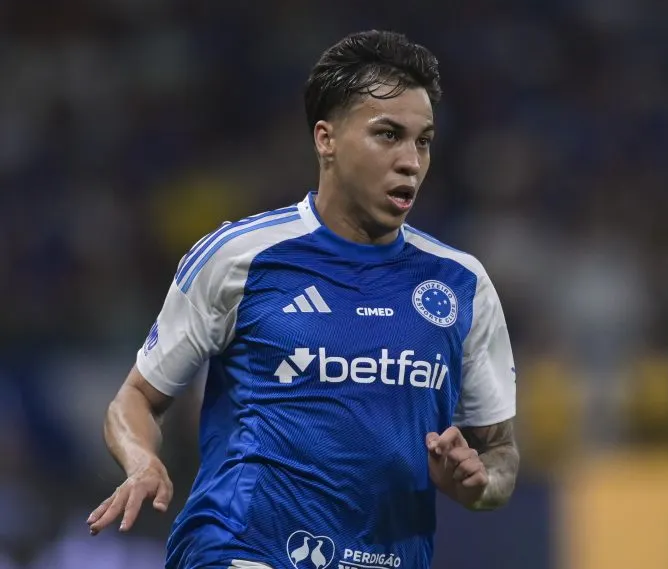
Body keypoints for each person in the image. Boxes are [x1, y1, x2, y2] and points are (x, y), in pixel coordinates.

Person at [87, 30, 520, 569]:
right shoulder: (241, 256)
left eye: (424, 141)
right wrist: (141, 461)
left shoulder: (461, 284)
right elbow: (135, 399)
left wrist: (478, 483)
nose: (411, 160)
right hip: (241, 549)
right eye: (388, 135)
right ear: (326, 139)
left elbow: (500, 452)